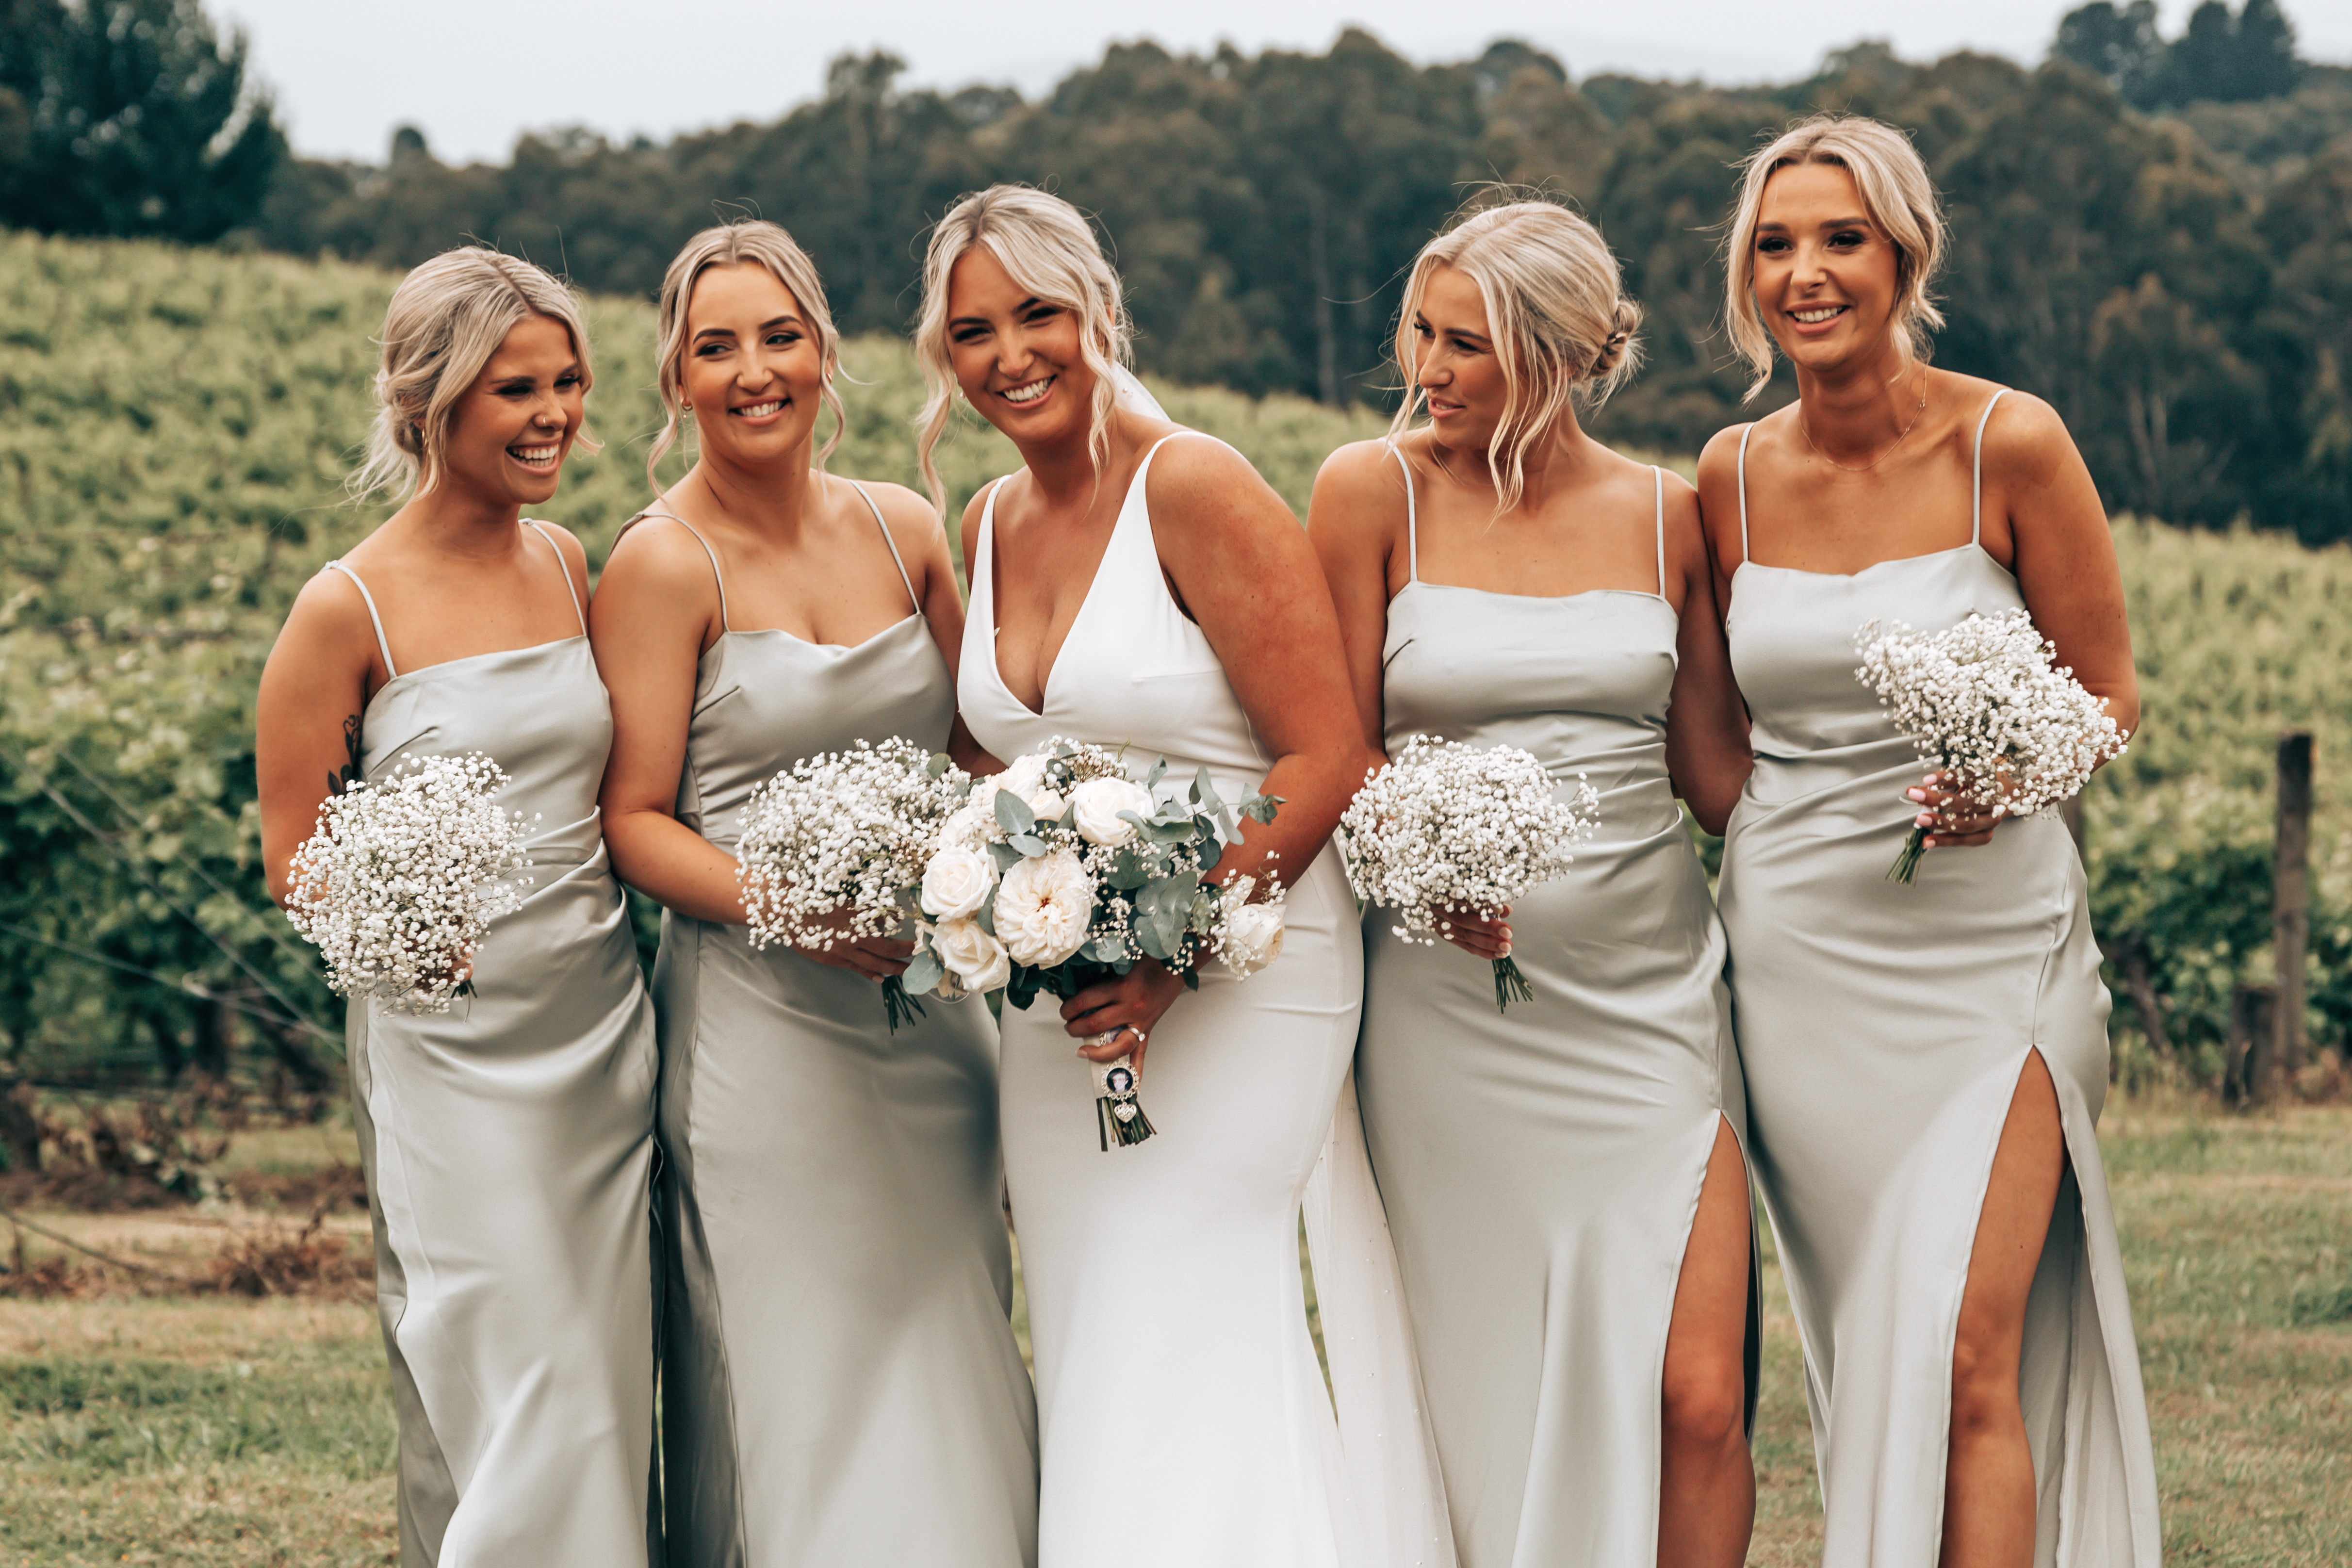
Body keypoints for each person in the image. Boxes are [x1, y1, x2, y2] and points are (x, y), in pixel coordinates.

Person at [919, 183, 1448, 1568]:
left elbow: (1325, 752)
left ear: (1097, 311)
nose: (1010, 355)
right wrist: (1014, 900)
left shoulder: (1192, 482)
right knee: (1101, 1315)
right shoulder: (985, 523)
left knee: (1189, 1297)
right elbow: (1001, 766)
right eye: (974, 331)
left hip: (1249, 974)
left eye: (1038, 314)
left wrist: (1173, 948)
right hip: (1069, 1004)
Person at [1694, 115, 2160, 1568]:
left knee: (1970, 1347)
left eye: (1841, 238)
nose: (1807, 271)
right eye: (1776, 244)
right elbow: (1713, 751)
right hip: (1802, 969)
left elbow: (2110, 694)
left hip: (1993, 954)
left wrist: (2012, 776)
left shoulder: (2006, 441)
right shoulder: (1727, 475)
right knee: (1873, 1348)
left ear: (1906, 254)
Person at [1308, 197, 1758, 1568]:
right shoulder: (1366, 493)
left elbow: (1720, 776)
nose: (1428, 370)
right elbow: (1333, 753)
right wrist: (1415, 871)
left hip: (1650, 1005)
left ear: (1561, 354)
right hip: (1451, 1021)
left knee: (1703, 1398)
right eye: (1422, 334)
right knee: (1487, 1392)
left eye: (1469, 345)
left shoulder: (1670, 515)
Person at [589, 219, 1037, 1567]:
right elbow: (633, 823)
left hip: (932, 1027)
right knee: (801, 1376)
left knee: (950, 1347)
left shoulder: (907, 532)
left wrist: (973, 869)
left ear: (825, 351)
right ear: (675, 379)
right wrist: (796, 907)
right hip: (762, 1039)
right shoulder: (663, 564)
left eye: (778, 337)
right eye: (714, 348)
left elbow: (980, 743)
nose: (752, 372)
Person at [254, 248, 657, 1567]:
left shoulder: (569, 562)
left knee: (598, 1379)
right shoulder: (344, 607)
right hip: (453, 1052)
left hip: (601, 1030)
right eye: (514, 389)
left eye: (568, 383)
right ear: (432, 401)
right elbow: (297, 859)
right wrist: (407, 928)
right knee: (507, 1366)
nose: (555, 416)